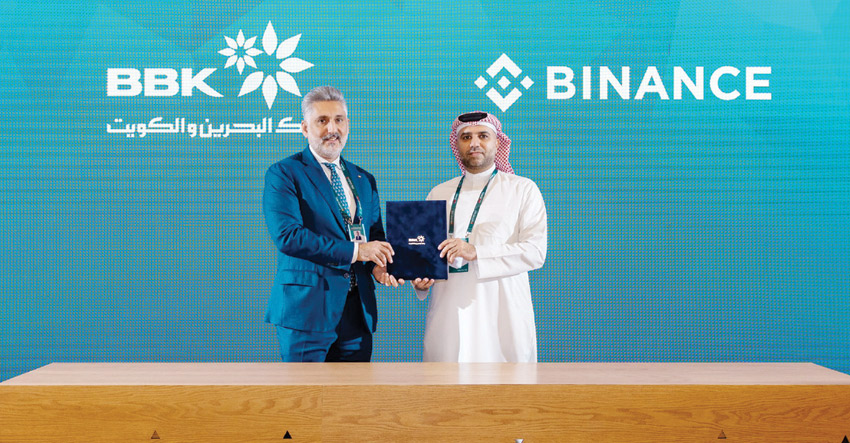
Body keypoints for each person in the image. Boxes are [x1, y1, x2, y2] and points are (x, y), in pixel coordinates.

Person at [262, 86, 403, 362]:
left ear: (347, 124)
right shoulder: (284, 173)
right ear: (305, 128)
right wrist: (357, 252)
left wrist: (379, 266)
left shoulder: (364, 179)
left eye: (339, 120)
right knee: (304, 391)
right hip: (306, 313)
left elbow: (375, 236)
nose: (332, 129)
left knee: (354, 391)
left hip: (357, 313)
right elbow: (288, 236)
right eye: (322, 120)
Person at [412, 111, 547, 362]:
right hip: (448, 321)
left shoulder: (522, 189)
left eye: (483, 136)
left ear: (497, 142)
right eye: (466, 137)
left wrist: (475, 251)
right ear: (457, 144)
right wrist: (421, 281)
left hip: (503, 320)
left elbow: (535, 252)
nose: (474, 143)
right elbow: (425, 256)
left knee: (507, 386)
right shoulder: (439, 193)